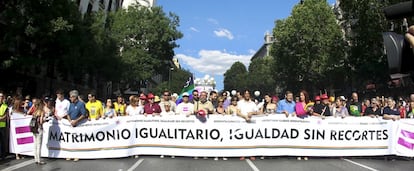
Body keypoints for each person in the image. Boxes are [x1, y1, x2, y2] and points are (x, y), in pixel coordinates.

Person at [66, 90, 87, 161]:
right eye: (70, 97)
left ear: (75, 97)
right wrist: (70, 121)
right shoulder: (71, 104)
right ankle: (70, 154)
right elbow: (68, 114)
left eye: (71, 97)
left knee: (77, 141)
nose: (70, 98)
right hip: (71, 124)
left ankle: (77, 155)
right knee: (70, 140)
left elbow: (84, 114)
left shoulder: (81, 104)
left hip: (78, 124)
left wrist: (76, 121)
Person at [237, 90, 258, 161]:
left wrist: (252, 113)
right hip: (242, 122)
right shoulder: (239, 103)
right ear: (243, 95)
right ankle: (242, 154)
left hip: (251, 123)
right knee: (242, 138)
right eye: (245, 94)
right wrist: (245, 116)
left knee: (251, 138)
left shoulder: (253, 103)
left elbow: (257, 112)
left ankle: (251, 154)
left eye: (248, 94)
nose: (247, 95)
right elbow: (238, 112)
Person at [30, 99, 46, 165]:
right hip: (39, 128)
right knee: (39, 144)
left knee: (35, 144)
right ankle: (39, 160)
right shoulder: (41, 111)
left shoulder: (34, 112)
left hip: (34, 129)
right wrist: (45, 120)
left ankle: (36, 158)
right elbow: (41, 121)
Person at [0, 92, 9, 160]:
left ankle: (3, 155)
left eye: (2, 96)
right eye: (0, 96)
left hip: (2, 126)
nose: (1, 98)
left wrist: (1, 118)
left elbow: (6, 116)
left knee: (2, 141)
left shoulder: (5, 106)